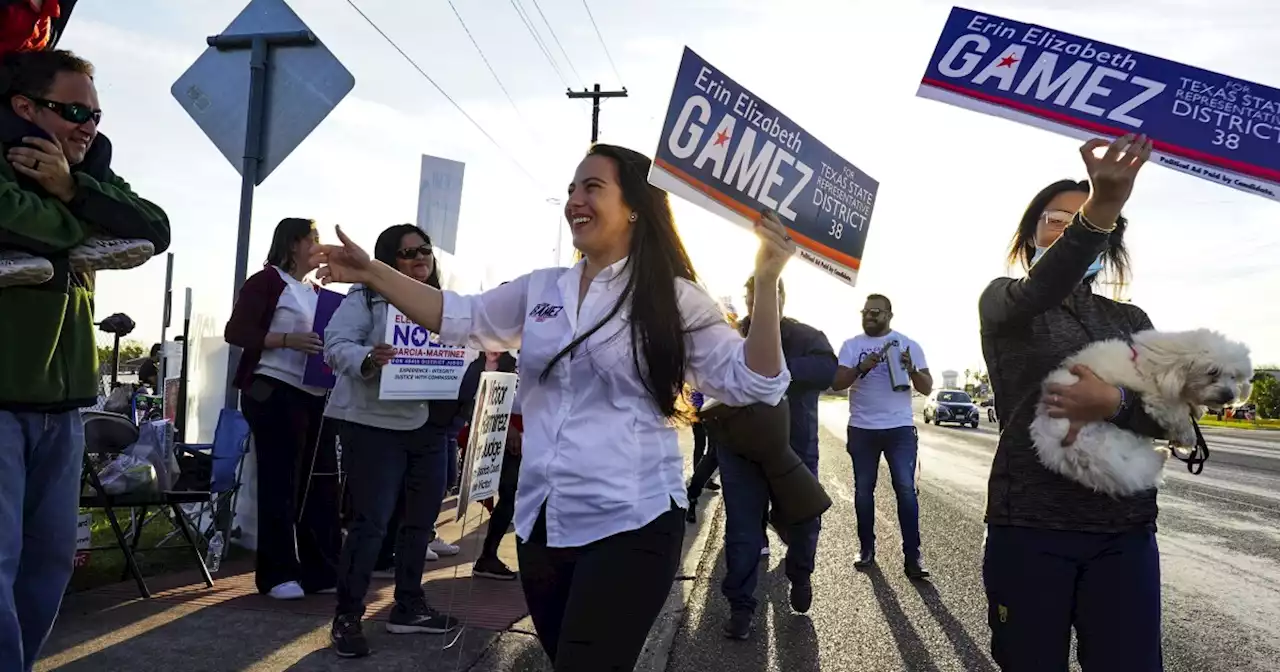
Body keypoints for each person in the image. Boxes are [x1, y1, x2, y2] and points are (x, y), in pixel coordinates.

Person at [310, 143, 794, 671]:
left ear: (634, 205)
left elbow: (756, 383)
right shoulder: (543, 288)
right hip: (543, 529)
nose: (574, 201)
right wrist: (374, 273)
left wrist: (766, 281)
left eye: (592, 187)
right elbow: (459, 316)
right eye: (571, 189)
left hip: (631, 525)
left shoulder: (674, 298)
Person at [0, 48, 168, 672]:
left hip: (63, 409)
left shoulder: (86, 172)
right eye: (72, 111)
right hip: (2, 403)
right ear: (24, 107)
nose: (87, 127)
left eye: (94, 115)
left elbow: (154, 226)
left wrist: (72, 188)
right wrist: (83, 222)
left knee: (46, 567)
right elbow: (15, 216)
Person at [978, 134, 1166, 671]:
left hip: (1124, 533)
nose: (1065, 229)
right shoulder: (1003, 302)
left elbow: (1172, 416)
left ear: (1106, 246)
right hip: (1030, 527)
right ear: (1030, 235)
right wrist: (1100, 208)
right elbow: (1042, 288)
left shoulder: (1131, 321)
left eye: (1078, 220)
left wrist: (1116, 400)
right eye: (1055, 221)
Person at [322, 224, 460, 658]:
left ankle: (409, 606)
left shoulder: (447, 305)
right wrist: (367, 358)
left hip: (429, 427)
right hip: (373, 424)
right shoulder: (365, 297)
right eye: (407, 253)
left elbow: (468, 344)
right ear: (386, 259)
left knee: (420, 522)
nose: (419, 258)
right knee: (371, 522)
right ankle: (347, 615)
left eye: (425, 250)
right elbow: (334, 344)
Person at [223, 217, 340, 601]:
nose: (319, 246)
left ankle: (320, 568)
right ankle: (276, 574)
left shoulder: (317, 290)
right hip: (273, 391)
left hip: (314, 393)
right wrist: (288, 339)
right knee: (280, 482)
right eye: (314, 239)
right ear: (293, 243)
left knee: (319, 482)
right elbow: (237, 332)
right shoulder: (268, 281)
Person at [716, 276, 837, 639]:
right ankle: (740, 607)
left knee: (803, 523)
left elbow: (827, 370)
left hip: (794, 451)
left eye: (770, 293)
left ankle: (800, 574)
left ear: (782, 296)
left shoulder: (807, 337)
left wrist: (775, 371)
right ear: (748, 299)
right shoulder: (729, 336)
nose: (761, 301)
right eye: (754, 295)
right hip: (740, 452)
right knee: (742, 531)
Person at [832, 293, 933, 579]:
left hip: (899, 429)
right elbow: (837, 382)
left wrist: (911, 368)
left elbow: (926, 388)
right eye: (866, 311)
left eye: (876, 312)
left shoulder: (909, 344)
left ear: (889, 315)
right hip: (862, 429)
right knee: (864, 491)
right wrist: (862, 367)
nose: (870, 315)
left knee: (905, 489)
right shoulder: (852, 346)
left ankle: (913, 556)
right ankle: (866, 548)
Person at [461, 349, 521, 581]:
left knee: (517, 495)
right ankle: (488, 556)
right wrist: (507, 427)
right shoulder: (504, 348)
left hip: (537, 423)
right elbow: (490, 390)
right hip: (507, 426)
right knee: (509, 492)